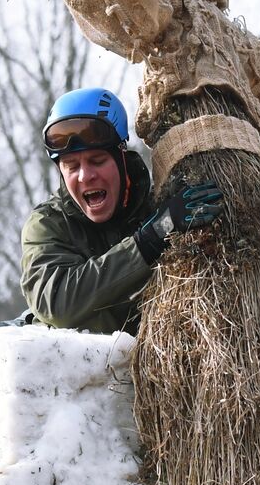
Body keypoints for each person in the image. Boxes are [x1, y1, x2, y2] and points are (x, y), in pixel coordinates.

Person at [19, 86, 224, 335]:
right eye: (71, 166)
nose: (85, 176)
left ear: (121, 156)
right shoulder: (46, 224)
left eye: (97, 161)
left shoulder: (156, 207)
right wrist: (149, 240)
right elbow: (57, 304)